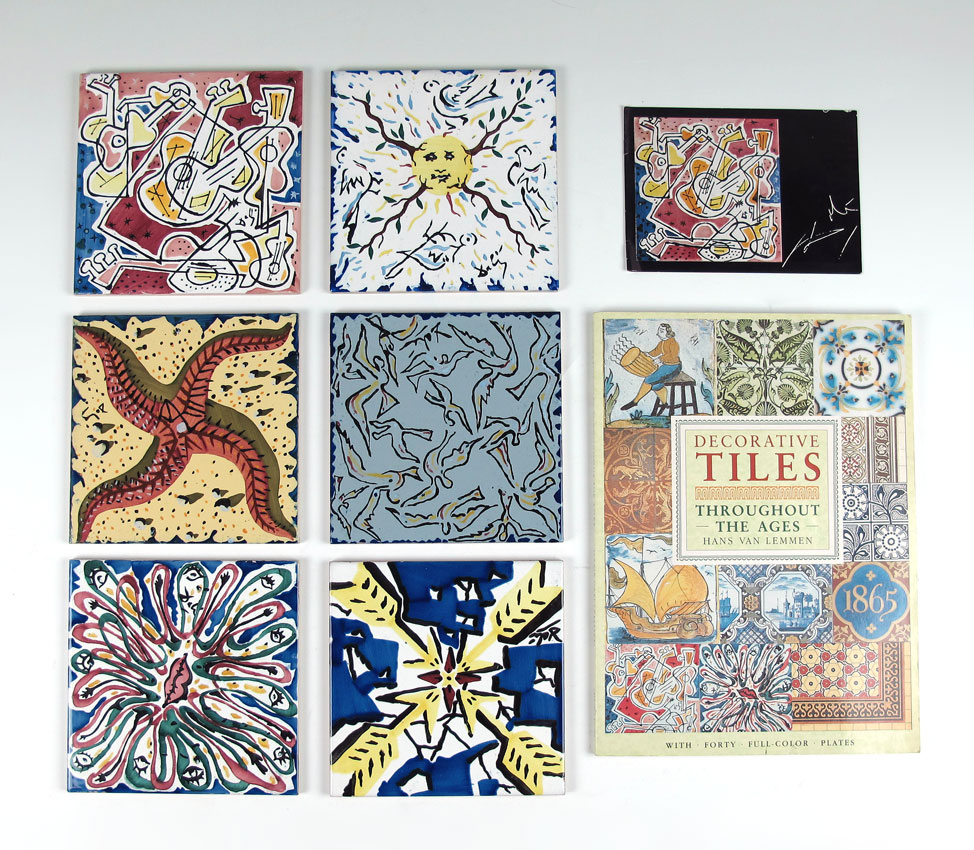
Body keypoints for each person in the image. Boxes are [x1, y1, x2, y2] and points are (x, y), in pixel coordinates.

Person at [620, 323, 681, 411]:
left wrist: (660, 359)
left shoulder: (673, 342)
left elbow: (673, 355)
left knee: (649, 379)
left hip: (674, 366)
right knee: (655, 386)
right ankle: (664, 403)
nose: (658, 332)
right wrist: (647, 354)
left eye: (661, 331)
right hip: (666, 365)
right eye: (659, 330)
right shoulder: (661, 343)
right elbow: (655, 352)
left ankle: (635, 401)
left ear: (668, 333)